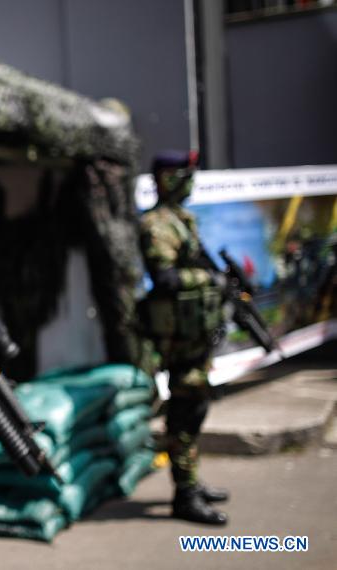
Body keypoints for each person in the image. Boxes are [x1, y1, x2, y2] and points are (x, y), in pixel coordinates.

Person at [138, 150, 229, 525]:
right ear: (166, 179)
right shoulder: (156, 225)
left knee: (196, 409)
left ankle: (190, 480)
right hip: (176, 339)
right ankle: (185, 495)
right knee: (184, 413)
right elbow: (165, 279)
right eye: (183, 175)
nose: (189, 183)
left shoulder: (182, 220)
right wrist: (210, 280)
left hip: (195, 337)